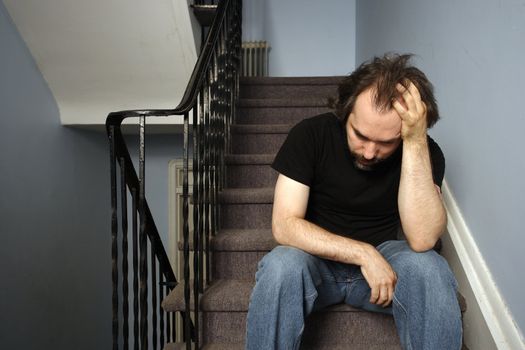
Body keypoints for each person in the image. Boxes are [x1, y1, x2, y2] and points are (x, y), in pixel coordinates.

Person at [245, 53, 462, 350]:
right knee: (281, 265)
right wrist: (363, 254)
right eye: (360, 135)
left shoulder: (423, 151)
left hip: (385, 272)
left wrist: (414, 141)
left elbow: (423, 238)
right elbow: (285, 226)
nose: (370, 152)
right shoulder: (310, 135)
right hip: (315, 266)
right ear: (345, 112)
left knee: (431, 268)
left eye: (387, 142)